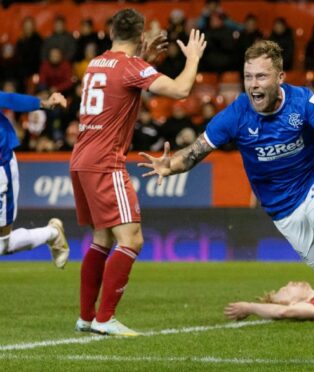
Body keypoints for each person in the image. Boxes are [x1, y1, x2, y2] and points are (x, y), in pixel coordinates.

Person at [138, 40, 314, 367]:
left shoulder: (302, 100)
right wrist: (169, 165)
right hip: (282, 209)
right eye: (248, 77)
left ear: (280, 78)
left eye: (261, 76)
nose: (253, 85)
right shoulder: (236, 114)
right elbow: (195, 152)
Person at [71, 8, 206, 337]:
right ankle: (105, 318)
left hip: (80, 158)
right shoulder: (132, 67)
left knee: (102, 239)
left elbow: (120, 81)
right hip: (106, 161)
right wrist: (193, 58)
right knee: (132, 240)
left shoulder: (96, 63)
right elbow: (180, 90)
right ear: (141, 35)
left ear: (110, 32)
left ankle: (87, 317)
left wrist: (144, 57)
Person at [0, 91, 69, 267]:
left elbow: (9, 99)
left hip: (2, 169)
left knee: (2, 244)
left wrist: (45, 103)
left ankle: (52, 233)